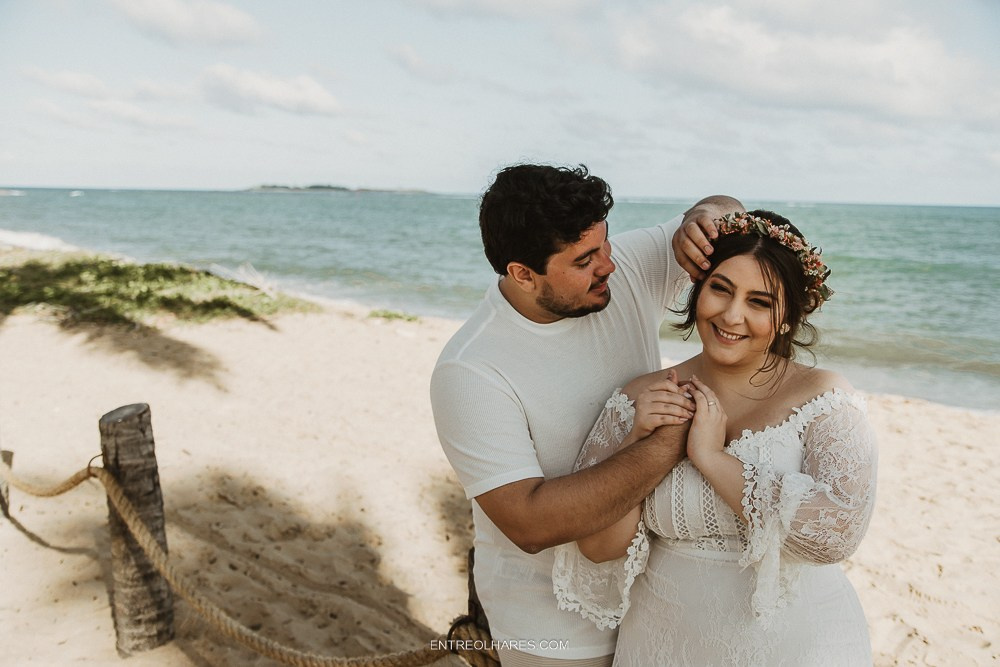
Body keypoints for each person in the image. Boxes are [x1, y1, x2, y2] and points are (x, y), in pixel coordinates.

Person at [430, 163, 743, 666]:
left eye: (606, 245)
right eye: (584, 260)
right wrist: (668, 439)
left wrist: (704, 216)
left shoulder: (623, 270)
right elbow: (529, 521)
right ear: (522, 274)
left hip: (655, 601)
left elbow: (729, 211)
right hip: (552, 631)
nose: (609, 266)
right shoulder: (472, 369)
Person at [552, 210, 878, 665]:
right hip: (664, 645)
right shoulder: (641, 396)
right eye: (720, 289)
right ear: (697, 291)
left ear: (787, 319)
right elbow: (599, 547)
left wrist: (710, 455)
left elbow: (834, 538)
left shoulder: (825, 398)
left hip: (797, 647)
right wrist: (637, 445)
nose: (732, 315)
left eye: (760, 302)